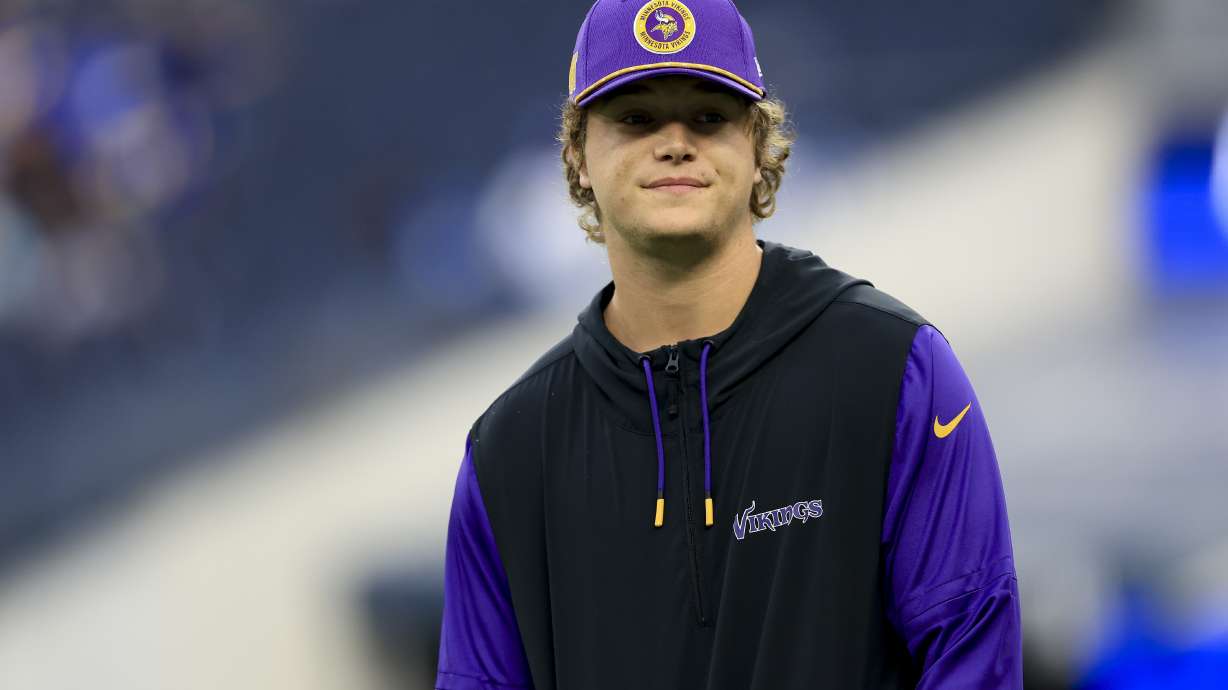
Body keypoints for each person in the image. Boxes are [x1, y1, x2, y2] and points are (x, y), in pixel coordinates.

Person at [435, 1, 1022, 688]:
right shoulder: (511, 450)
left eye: (709, 117)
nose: (675, 143)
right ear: (577, 156)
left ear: (758, 146)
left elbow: (972, 655)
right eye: (636, 118)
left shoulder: (894, 370)